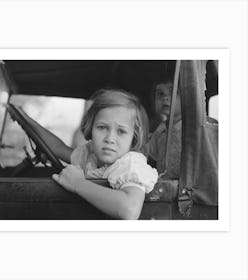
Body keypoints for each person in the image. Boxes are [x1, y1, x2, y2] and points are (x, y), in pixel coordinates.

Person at [26, 88, 158, 219]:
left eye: (121, 132)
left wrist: (78, 184)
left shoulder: (130, 164)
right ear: (90, 127)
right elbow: (57, 147)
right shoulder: (91, 155)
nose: (110, 139)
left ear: (134, 138)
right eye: (102, 128)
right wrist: (27, 120)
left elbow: (129, 210)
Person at [143, 78, 182, 179]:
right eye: (160, 94)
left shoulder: (193, 129)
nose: (165, 98)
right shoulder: (159, 130)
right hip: (163, 187)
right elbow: (150, 160)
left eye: (174, 92)